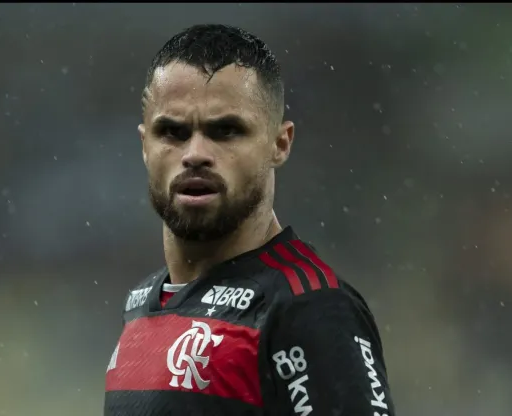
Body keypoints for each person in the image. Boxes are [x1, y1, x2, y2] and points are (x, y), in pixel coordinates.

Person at [104, 24, 395, 416]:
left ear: (280, 143)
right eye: (172, 132)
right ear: (144, 145)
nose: (195, 154)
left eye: (226, 131)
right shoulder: (141, 303)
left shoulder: (306, 307)